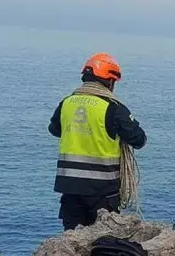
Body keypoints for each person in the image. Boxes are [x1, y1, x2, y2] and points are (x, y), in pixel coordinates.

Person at [48, 52, 147, 231]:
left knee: (73, 240)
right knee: (104, 240)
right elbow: (138, 139)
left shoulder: (66, 103)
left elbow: (54, 130)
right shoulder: (113, 108)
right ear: (109, 81)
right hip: (102, 191)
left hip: (70, 188)